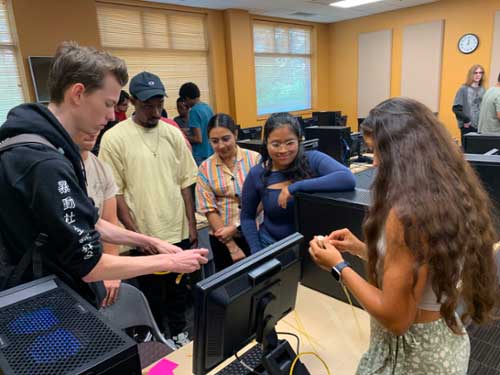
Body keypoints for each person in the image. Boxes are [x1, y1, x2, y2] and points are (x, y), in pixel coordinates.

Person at [0, 42, 208, 306]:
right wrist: (171, 261)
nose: (112, 115)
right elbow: (90, 266)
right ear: (78, 93)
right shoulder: (44, 163)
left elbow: (88, 222)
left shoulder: (45, 145)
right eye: (108, 103)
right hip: (39, 300)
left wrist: (149, 241)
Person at [309, 97, 499, 374]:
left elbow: (397, 319)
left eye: (377, 152)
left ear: (403, 152)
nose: (373, 163)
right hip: (446, 340)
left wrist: (338, 266)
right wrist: (362, 249)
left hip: (414, 354)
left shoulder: (407, 215)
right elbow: (422, 267)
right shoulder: (448, 191)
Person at [99, 71, 199, 347]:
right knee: (153, 294)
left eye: (159, 104)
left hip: (176, 228)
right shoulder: (114, 138)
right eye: (147, 106)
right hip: (143, 233)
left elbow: (185, 183)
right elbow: (115, 195)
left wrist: (190, 225)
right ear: (131, 101)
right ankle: (159, 338)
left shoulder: (172, 133)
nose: (155, 112)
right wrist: (138, 236)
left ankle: (179, 332)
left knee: (178, 290)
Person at [240, 112, 356, 254]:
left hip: (314, 247)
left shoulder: (313, 159)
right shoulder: (257, 174)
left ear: (299, 140)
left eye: (290, 143)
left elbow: (347, 178)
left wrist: (294, 188)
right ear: (266, 143)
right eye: (275, 144)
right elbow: (247, 217)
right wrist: (256, 253)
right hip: (271, 245)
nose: (283, 150)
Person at [196, 114, 261, 272]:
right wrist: (231, 246)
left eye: (226, 139)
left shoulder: (254, 159)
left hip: (254, 231)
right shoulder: (205, 168)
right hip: (221, 238)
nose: (221, 146)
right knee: (230, 287)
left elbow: (262, 198)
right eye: (215, 141)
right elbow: (209, 209)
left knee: (260, 279)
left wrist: (237, 227)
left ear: (236, 135)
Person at [76, 131, 121, 307]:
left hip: (97, 264)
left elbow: (109, 222)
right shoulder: (52, 166)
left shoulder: (101, 168)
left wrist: (112, 272)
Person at [179, 82, 214, 165]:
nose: (185, 104)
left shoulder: (193, 111)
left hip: (200, 155)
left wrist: (184, 136)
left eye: (184, 101)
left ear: (187, 98)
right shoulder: (207, 107)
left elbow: (198, 138)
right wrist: (187, 130)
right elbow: (205, 128)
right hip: (211, 151)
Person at [452, 64, 486, 144]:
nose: (478, 75)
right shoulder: (463, 89)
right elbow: (456, 109)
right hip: (467, 126)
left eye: (480, 73)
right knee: (468, 151)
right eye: (475, 73)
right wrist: (466, 120)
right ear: (471, 74)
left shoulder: (483, 90)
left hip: (480, 127)